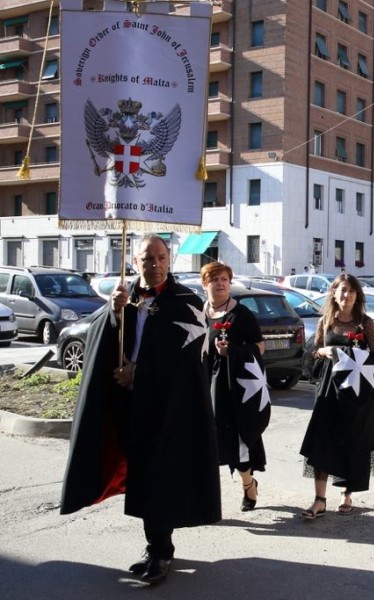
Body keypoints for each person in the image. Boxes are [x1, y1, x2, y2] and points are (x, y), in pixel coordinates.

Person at [60, 235, 220, 585]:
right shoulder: (126, 297)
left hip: (169, 407)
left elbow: (187, 361)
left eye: (161, 257)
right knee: (143, 474)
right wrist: (113, 312)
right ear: (135, 261)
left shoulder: (187, 302)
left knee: (160, 474)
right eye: (148, 258)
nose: (155, 264)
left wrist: (140, 371)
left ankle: (161, 550)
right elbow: (101, 335)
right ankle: (156, 545)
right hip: (130, 403)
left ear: (169, 260)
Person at [300, 274, 374, 518]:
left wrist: (351, 354)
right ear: (334, 293)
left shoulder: (365, 323)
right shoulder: (326, 321)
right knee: (322, 440)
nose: (347, 295)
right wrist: (323, 351)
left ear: (358, 295)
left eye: (352, 291)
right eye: (343, 290)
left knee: (353, 441)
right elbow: (313, 352)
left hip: (356, 392)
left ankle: (347, 494)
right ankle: (319, 500)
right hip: (329, 388)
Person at [201, 261, 270, 512]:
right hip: (204, 384)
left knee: (238, 440)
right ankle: (204, 498)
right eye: (214, 279)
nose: (220, 284)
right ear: (205, 284)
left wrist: (233, 352)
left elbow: (260, 347)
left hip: (234, 389)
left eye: (224, 279)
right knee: (205, 442)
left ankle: (248, 483)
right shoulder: (199, 313)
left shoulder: (242, 315)